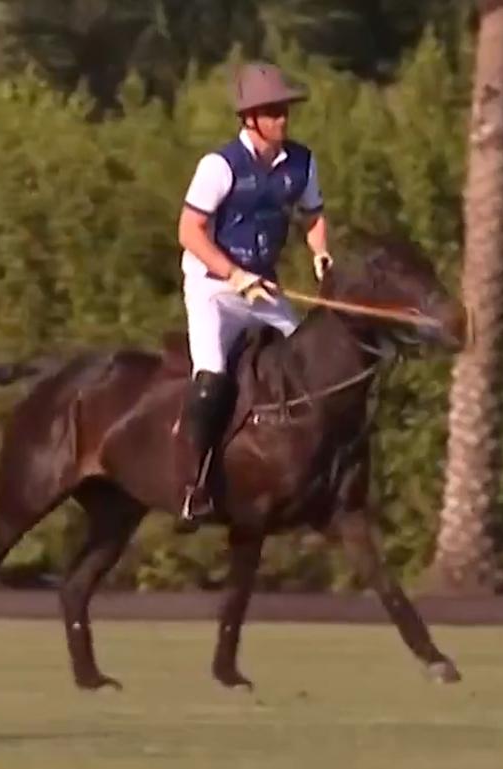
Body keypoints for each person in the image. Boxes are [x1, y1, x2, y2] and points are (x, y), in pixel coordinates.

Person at [174, 61, 333, 531]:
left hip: (262, 287)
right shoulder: (219, 166)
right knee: (211, 378)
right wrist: (233, 273)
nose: (282, 119)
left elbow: (314, 215)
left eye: (284, 110)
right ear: (249, 119)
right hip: (212, 288)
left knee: (309, 368)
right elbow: (189, 231)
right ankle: (193, 486)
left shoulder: (301, 163)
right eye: (272, 112)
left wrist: (320, 252)